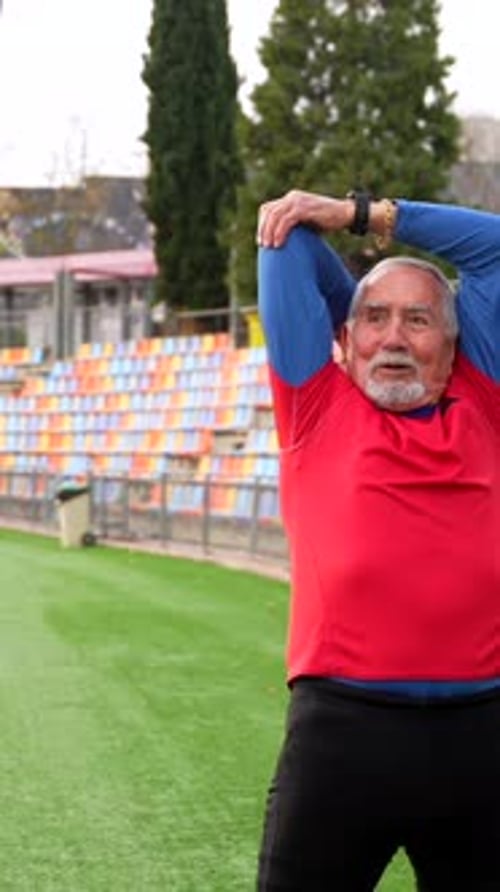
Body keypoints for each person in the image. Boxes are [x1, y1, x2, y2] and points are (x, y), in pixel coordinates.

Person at [255, 189, 500, 892]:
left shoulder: (485, 400)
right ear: (346, 335)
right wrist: (355, 318)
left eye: (418, 321)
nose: (393, 338)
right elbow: (286, 235)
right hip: (341, 738)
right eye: (375, 319)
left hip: (483, 740)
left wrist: (363, 216)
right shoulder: (314, 404)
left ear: (454, 344)